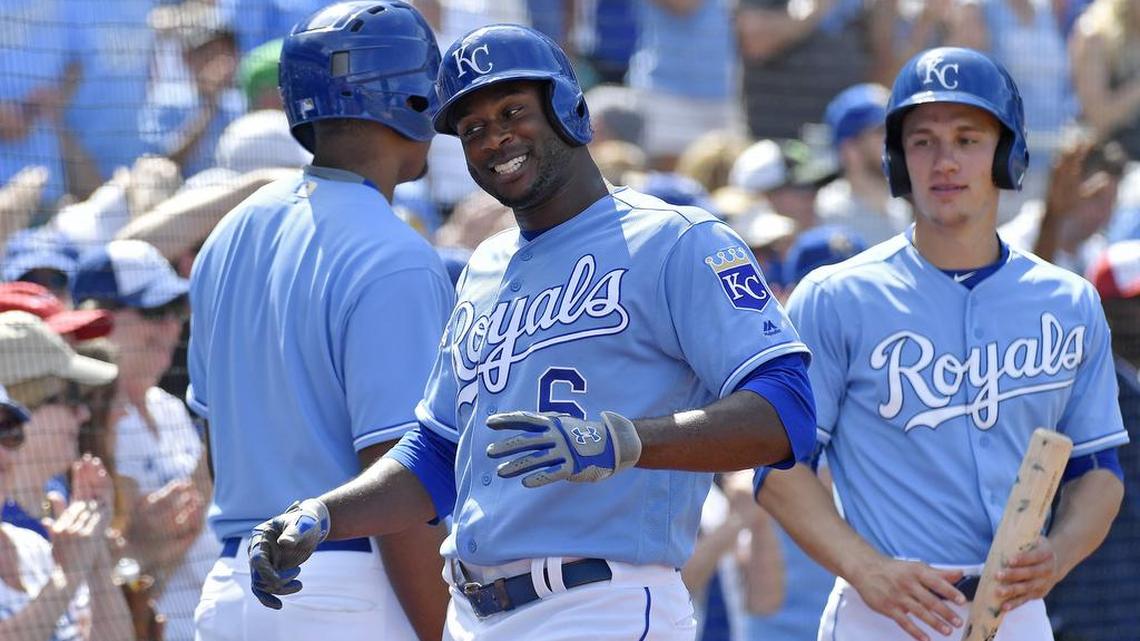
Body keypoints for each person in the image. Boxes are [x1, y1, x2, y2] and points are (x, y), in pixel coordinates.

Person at [248, 23, 817, 641]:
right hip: (473, 611)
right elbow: (437, 455)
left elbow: (786, 410)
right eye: (472, 129)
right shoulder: (483, 269)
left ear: (568, 109)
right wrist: (324, 512)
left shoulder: (676, 238)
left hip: (604, 602)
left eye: (512, 111)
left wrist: (623, 441)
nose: (495, 137)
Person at [754, 47, 1130, 641]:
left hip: (1016, 609)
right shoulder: (835, 296)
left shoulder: (1069, 301)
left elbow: (1099, 470)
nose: (944, 160)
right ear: (899, 159)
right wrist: (865, 568)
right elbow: (778, 468)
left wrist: (1057, 555)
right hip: (883, 612)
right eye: (923, 140)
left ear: (1006, 153)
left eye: (968, 137)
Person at [186, 3, 453, 640]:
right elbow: (399, 483)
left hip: (230, 590)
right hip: (349, 589)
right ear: (416, 100)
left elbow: (214, 441)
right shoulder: (396, 254)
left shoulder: (230, 232)